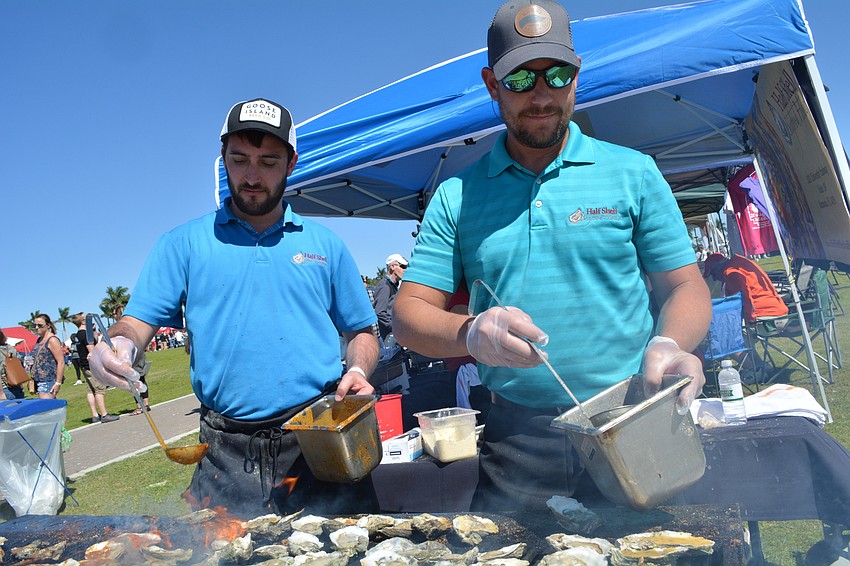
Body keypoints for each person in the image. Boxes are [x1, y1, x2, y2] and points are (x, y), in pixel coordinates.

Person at [393, 0, 710, 512]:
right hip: (516, 440)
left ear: (576, 77)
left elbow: (685, 286)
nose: (540, 95)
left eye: (556, 74)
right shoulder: (457, 195)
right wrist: (469, 333)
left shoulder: (634, 172)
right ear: (492, 85)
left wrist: (671, 342)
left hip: (631, 419)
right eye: (519, 79)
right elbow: (408, 316)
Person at [89, 98, 379, 518]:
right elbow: (135, 324)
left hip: (317, 444)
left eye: (268, 161)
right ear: (223, 159)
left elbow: (362, 332)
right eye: (239, 159)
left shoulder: (326, 245)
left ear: (291, 163)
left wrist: (357, 370)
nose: (252, 176)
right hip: (225, 452)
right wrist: (117, 346)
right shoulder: (182, 244)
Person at [702, 253, 788, 322]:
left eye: (713, 274)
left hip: (765, 314)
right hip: (776, 309)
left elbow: (744, 296)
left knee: (732, 335)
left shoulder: (731, 273)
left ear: (719, 268)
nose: (714, 279)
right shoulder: (740, 262)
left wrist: (749, 318)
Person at [71, 312, 120, 423]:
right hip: (91, 365)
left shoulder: (78, 335)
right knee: (99, 389)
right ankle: (104, 414)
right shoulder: (85, 334)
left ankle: (94, 415)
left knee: (90, 390)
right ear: (83, 321)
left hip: (84, 365)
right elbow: (92, 350)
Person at [372, 254, 408, 341]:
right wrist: (396, 328)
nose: (405, 270)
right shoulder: (385, 286)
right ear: (392, 267)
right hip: (388, 337)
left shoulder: (394, 286)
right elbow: (380, 313)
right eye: (403, 266)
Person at [30, 314, 66, 399]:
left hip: (48, 380)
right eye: (34, 325)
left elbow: (61, 362)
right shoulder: (39, 339)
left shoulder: (52, 340)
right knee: (49, 410)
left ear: (48, 325)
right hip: (38, 380)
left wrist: (58, 383)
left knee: (46, 410)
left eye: (40, 325)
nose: (36, 328)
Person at [0, 329, 26, 400]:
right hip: (17, 385)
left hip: (4, 388)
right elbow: (20, 364)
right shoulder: (11, 348)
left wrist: (1, 393)